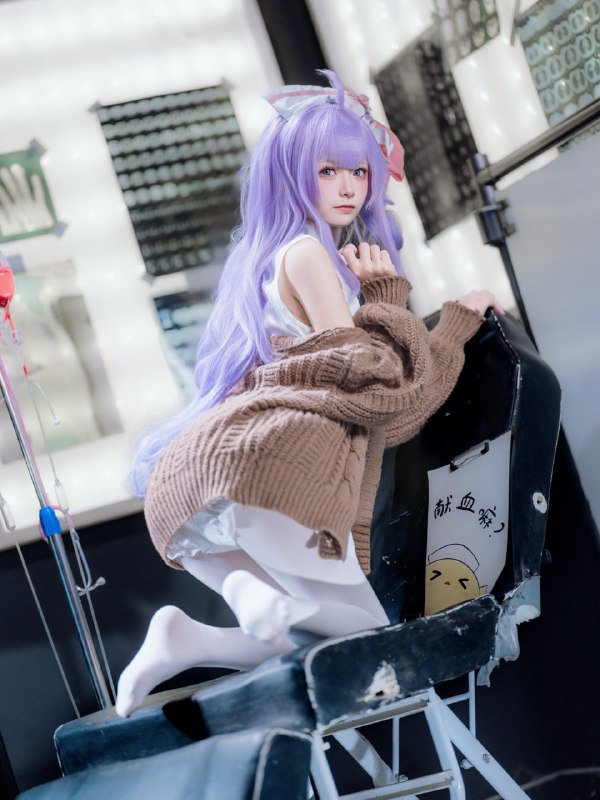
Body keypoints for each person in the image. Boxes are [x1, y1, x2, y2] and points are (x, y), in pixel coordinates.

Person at [115, 70, 503, 718]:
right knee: (366, 638)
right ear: (293, 174)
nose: (348, 187)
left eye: (359, 171)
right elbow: (384, 391)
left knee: (326, 637)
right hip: (267, 471)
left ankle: (195, 634)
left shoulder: (267, 261)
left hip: (201, 480)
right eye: (328, 170)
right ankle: (233, 612)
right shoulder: (307, 254)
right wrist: (431, 310)